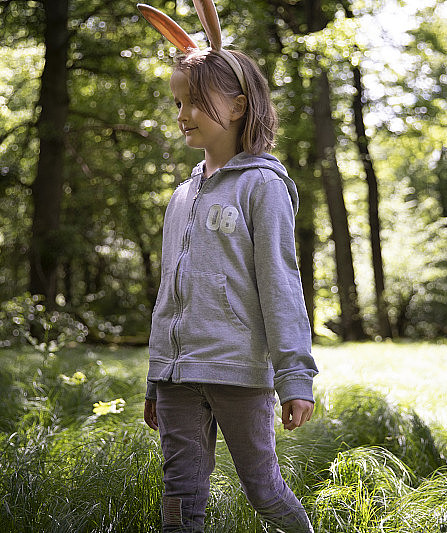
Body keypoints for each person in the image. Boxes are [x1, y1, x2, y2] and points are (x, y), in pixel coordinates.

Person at [142, 45, 319, 533]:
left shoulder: (262, 186)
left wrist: (294, 377)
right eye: (178, 103)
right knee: (179, 495)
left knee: (263, 490)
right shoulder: (181, 196)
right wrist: (157, 375)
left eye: (196, 102)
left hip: (238, 371)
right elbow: (168, 293)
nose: (183, 115)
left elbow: (281, 284)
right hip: (178, 376)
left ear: (238, 106)